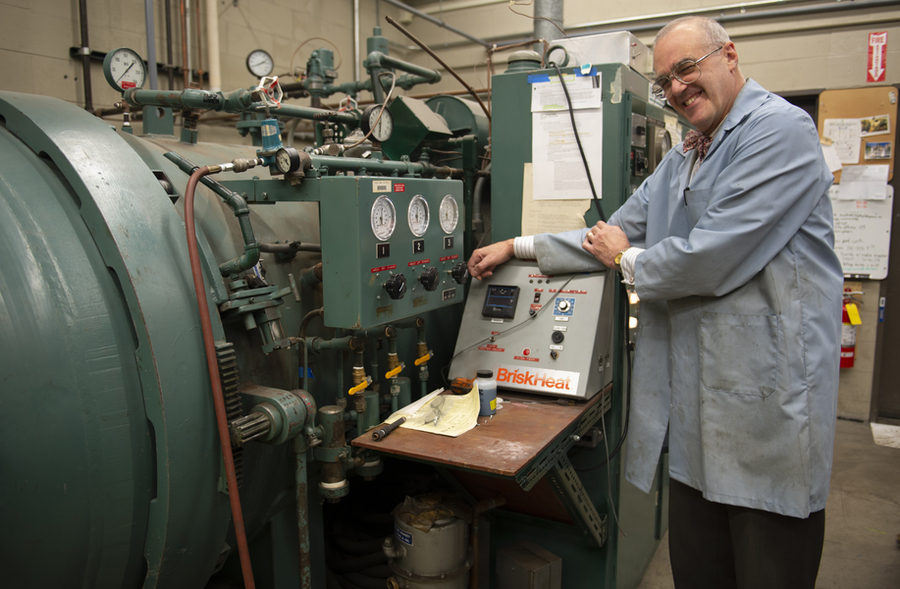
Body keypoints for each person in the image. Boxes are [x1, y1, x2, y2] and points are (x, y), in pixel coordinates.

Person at [468, 16, 841, 589]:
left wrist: (626, 259)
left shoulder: (779, 132)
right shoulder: (687, 154)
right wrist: (513, 246)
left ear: (730, 56)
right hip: (697, 421)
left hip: (767, 412)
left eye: (686, 69)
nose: (676, 89)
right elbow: (610, 233)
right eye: (665, 81)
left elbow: (706, 258)